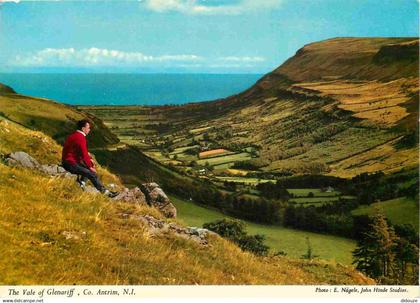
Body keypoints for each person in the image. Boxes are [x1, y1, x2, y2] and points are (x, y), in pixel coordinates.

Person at [61, 119, 118, 198]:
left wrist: (90, 162)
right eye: (88, 128)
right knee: (92, 173)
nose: (89, 130)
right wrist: (90, 166)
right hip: (70, 163)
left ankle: (81, 183)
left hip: (68, 161)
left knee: (88, 167)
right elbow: (84, 154)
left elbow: (79, 151)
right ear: (83, 128)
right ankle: (106, 193)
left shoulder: (74, 135)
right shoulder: (81, 138)